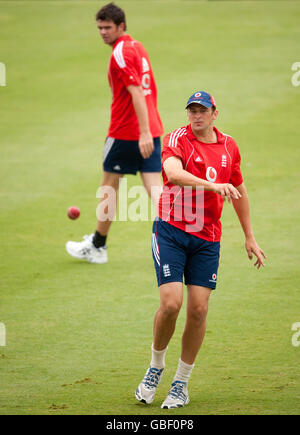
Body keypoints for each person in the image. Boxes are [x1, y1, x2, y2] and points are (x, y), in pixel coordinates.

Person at [135, 91, 267, 409]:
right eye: (192, 111)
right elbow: (174, 173)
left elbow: (239, 191)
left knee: (198, 310)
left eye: (202, 111)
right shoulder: (178, 138)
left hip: (207, 238)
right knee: (171, 303)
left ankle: (180, 383)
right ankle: (155, 367)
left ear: (214, 114)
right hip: (171, 231)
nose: (196, 116)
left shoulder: (228, 146)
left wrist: (250, 236)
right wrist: (212, 186)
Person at [66, 2, 163, 264]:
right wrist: (148, 130)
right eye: (99, 27)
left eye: (108, 27)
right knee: (157, 190)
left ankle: (98, 246)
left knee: (109, 185)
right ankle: (183, 237)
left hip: (126, 132)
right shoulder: (138, 47)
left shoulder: (120, 53)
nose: (103, 32)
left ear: (121, 26)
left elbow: (137, 92)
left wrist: (142, 132)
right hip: (151, 128)